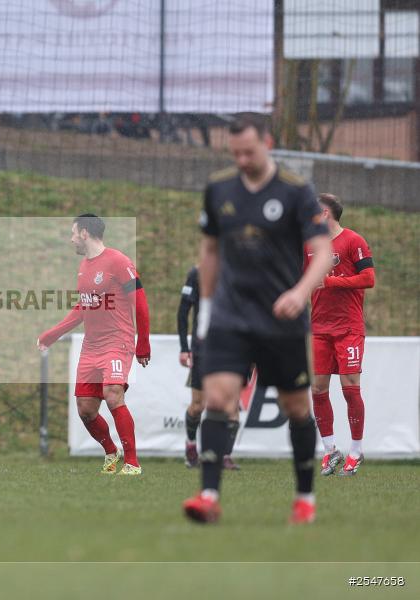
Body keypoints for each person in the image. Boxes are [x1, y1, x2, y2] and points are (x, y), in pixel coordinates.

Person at [182, 113, 333, 524]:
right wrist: (208, 311)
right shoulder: (218, 189)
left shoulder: (296, 191)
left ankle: (305, 498)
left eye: (249, 151)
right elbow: (210, 251)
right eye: (235, 153)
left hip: (280, 320)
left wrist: (300, 293)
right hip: (230, 316)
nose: (243, 159)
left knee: (297, 407)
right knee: (216, 398)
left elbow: (324, 253)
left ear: (267, 141)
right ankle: (208, 496)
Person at [37, 214, 151, 475]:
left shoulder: (119, 262)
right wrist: (52, 334)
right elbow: (82, 308)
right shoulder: (85, 267)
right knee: (86, 411)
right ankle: (111, 451)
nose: (72, 239)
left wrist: (142, 343)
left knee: (113, 394)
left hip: (117, 341)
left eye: (74, 233)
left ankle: (132, 463)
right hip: (91, 346)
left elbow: (140, 304)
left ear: (85, 233)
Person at [306, 193, 375, 477]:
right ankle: (330, 450)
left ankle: (356, 452)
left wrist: (332, 281)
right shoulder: (308, 245)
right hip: (319, 328)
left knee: (350, 389)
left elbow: (369, 278)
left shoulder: (353, 241)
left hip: (348, 327)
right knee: (318, 389)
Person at [177, 265, 240, 470]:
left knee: (231, 406)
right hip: (203, 349)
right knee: (198, 406)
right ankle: (191, 446)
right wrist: (184, 348)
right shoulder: (197, 273)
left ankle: (225, 456)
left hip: (233, 349)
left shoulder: (241, 271)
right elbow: (183, 311)